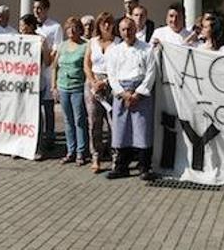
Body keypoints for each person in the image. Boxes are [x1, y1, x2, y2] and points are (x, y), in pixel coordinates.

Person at [106, 17, 158, 180]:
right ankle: (121, 166)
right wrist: (123, 93)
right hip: (122, 93)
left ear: (135, 29)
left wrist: (138, 93)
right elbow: (111, 75)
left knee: (142, 129)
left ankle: (144, 166)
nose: (127, 33)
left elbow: (151, 73)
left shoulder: (146, 49)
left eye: (129, 29)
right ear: (119, 31)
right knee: (122, 130)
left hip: (140, 93)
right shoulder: (115, 50)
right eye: (123, 30)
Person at [83, 12, 119, 173]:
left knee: (113, 123)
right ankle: (95, 156)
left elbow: (120, 66)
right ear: (98, 25)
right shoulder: (92, 42)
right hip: (92, 85)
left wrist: (105, 82)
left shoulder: (118, 43)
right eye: (103, 23)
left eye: (109, 22)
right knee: (94, 123)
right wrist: (93, 81)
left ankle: (115, 157)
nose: (106, 25)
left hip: (111, 84)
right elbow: (86, 65)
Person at [52, 17, 89, 166]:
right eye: (69, 28)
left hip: (78, 87)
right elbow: (55, 67)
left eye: (75, 28)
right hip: (63, 87)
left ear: (80, 29)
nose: (71, 31)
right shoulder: (62, 46)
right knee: (67, 121)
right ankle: (70, 151)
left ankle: (81, 152)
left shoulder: (85, 46)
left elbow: (88, 67)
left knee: (79, 120)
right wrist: (53, 86)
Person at [17, 14, 53, 159]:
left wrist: (44, 47)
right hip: (20, 84)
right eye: (19, 26)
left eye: (23, 26)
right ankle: (20, 146)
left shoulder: (40, 40)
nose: (21, 29)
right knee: (20, 115)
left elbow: (48, 62)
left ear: (31, 26)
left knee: (35, 115)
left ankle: (38, 147)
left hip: (36, 84)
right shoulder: (17, 40)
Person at [33, 0, 63, 153]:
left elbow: (57, 49)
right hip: (33, 73)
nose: (36, 11)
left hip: (48, 70)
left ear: (46, 9)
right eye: (35, 8)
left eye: (39, 8)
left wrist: (48, 58)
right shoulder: (32, 27)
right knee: (35, 107)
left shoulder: (55, 27)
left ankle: (50, 137)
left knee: (49, 108)